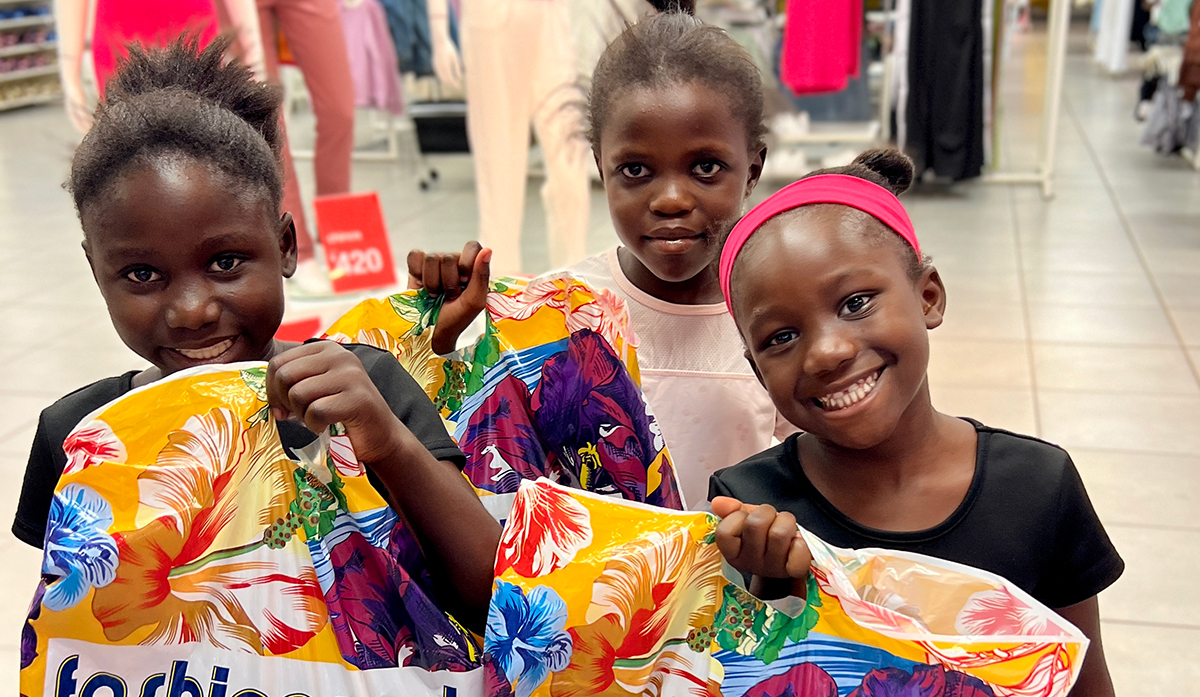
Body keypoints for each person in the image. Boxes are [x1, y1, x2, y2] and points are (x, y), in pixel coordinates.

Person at [11, 37, 499, 631]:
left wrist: (390, 443)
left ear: (286, 245)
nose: (192, 310)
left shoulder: (364, 388)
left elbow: (489, 598)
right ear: (96, 271)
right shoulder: (80, 435)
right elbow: (71, 631)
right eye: (143, 274)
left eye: (225, 263)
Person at [709, 149, 1123, 696]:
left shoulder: (1037, 487)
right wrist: (768, 590)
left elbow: (1083, 682)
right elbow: (730, 671)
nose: (826, 353)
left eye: (856, 303)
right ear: (757, 371)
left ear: (928, 295)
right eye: (781, 337)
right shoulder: (751, 505)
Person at [407, 2, 795, 508]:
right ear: (600, 167)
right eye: (636, 170)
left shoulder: (780, 313)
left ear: (753, 169)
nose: (671, 199)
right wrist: (438, 339)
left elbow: (813, 469)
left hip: (738, 584)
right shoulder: (560, 309)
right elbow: (484, 459)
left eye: (705, 167)